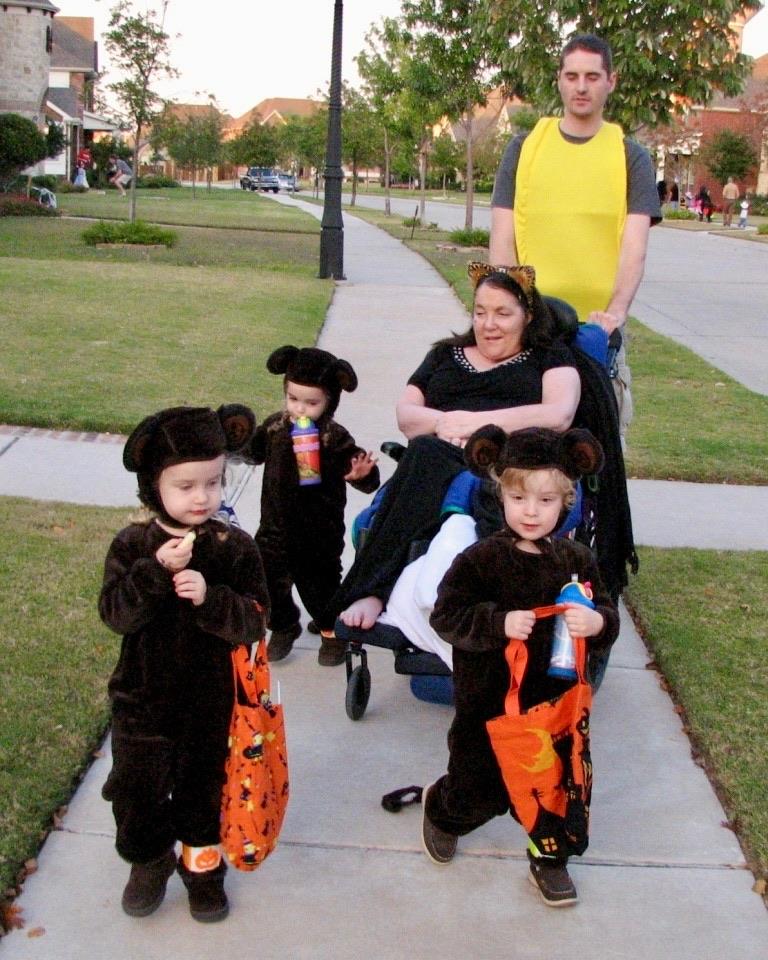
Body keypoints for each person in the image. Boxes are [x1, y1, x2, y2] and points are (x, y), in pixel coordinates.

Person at [423, 426, 619, 907]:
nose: (531, 511)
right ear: (501, 495)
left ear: (566, 502)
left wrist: (596, 622)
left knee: (553, 793)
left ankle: (549, 859)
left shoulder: (577, 560)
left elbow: (607, 613)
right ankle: (443, 811)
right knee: (478, 788)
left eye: (546, 500)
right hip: (488, 704)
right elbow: (446, 615)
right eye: (518, 498)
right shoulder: (481, 560)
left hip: (554, 706)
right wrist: (498, 622)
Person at [337, 263, 581, 631]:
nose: (488, 324)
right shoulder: (444, 354)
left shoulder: (550, 356)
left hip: (507, 462)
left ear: (528, 316)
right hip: (438, 455)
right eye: (480, 312)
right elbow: (407, 414)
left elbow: (559, 414)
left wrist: (479, 425)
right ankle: (374, 592)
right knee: (425, 453)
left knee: (428, 456)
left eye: (502, 314)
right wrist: (442, 423)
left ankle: (370, 590)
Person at [99, 405, 269, 923]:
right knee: (137, 792)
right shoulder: (133, 545)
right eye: (186, 485)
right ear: (154, 487)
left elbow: (256, 619)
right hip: (142, 701)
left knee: (204, 794)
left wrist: (211, 599)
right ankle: (149, 860)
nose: (201, 496)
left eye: (213, 483)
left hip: (210, 704)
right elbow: (116, 614)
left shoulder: (233, 548)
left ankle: (202, 872)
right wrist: (154, 572)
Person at [489, 33, 661, 444]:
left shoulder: (630, 157)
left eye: (592, 76)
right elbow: (502, 238)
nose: (581, 87)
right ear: (559, 80)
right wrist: (505, 311)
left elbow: (634, 249)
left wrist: (615, 315)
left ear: (611, 81)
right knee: (521, 454)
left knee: (597, 452)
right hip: (529, 329)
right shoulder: (524, 149)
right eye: (572, 76)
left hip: (596, 333)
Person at [250, 345, 380, 665]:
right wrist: (239, 437)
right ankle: (283, 625)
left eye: (312, 403)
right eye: (293, 399)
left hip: (318, 532)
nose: (300, 409)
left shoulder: (333, 436)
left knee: (319, 586)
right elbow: (254, 450)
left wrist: (362, 474)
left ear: (330, 401)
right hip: (274, 527)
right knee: (268, 581)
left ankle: (331, 631)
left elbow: (359, 468)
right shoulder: (276, 427)